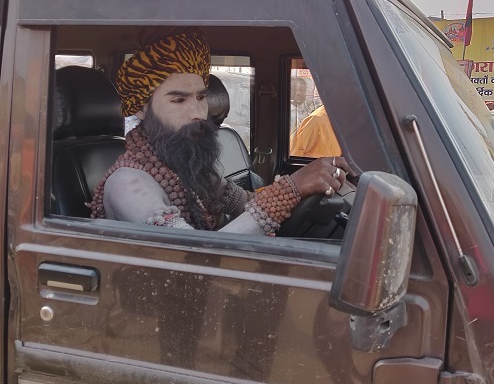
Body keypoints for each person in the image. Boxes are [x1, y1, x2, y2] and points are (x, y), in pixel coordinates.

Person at [89, 31, 351, 236]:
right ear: (143, 109)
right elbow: (192, 255)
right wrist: (290, 191)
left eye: (201, 97)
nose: (198, 113)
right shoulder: (128, 183)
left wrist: (303, 187)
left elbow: (243, 203)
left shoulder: (186, 167)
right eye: (178, 100)